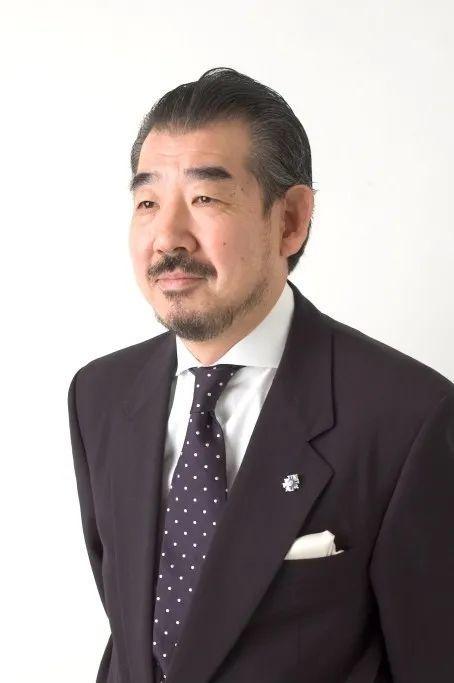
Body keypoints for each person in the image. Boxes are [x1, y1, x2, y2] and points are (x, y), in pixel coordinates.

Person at [67, 67, 454, 683]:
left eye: (205, 199)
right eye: (147, 202)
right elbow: (136, 640)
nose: (167, 237)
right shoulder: (100, 395)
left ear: (291, 220)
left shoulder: (409, 418)